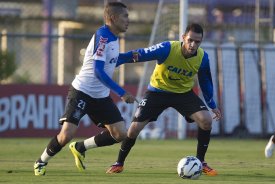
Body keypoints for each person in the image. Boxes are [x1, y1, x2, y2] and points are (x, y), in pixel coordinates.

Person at [33, 2, 136, 176]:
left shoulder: (114, 38)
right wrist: (121, 92)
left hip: (100, 96)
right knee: (66, 135)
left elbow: (112, 61)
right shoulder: (103, 36)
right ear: (113, 18)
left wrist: (134, 56)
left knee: (120, 134)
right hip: (82, 91)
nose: (128, 20)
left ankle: (80, 147)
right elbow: (98, 71)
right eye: (125, 16)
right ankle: (41, 161)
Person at [105, 23, 222, 176]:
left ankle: (200, 162)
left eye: (197, 42)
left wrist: (212, 105)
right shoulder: (167, 48)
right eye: (190, 40)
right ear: (183, 38)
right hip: (157, 92)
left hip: (183, 93)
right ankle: (119, 163)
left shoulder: (202, 58)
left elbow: (206, 82)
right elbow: (142, 53)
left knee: (206, 120)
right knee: (133, 130)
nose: (193, 45)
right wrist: (119, 59)